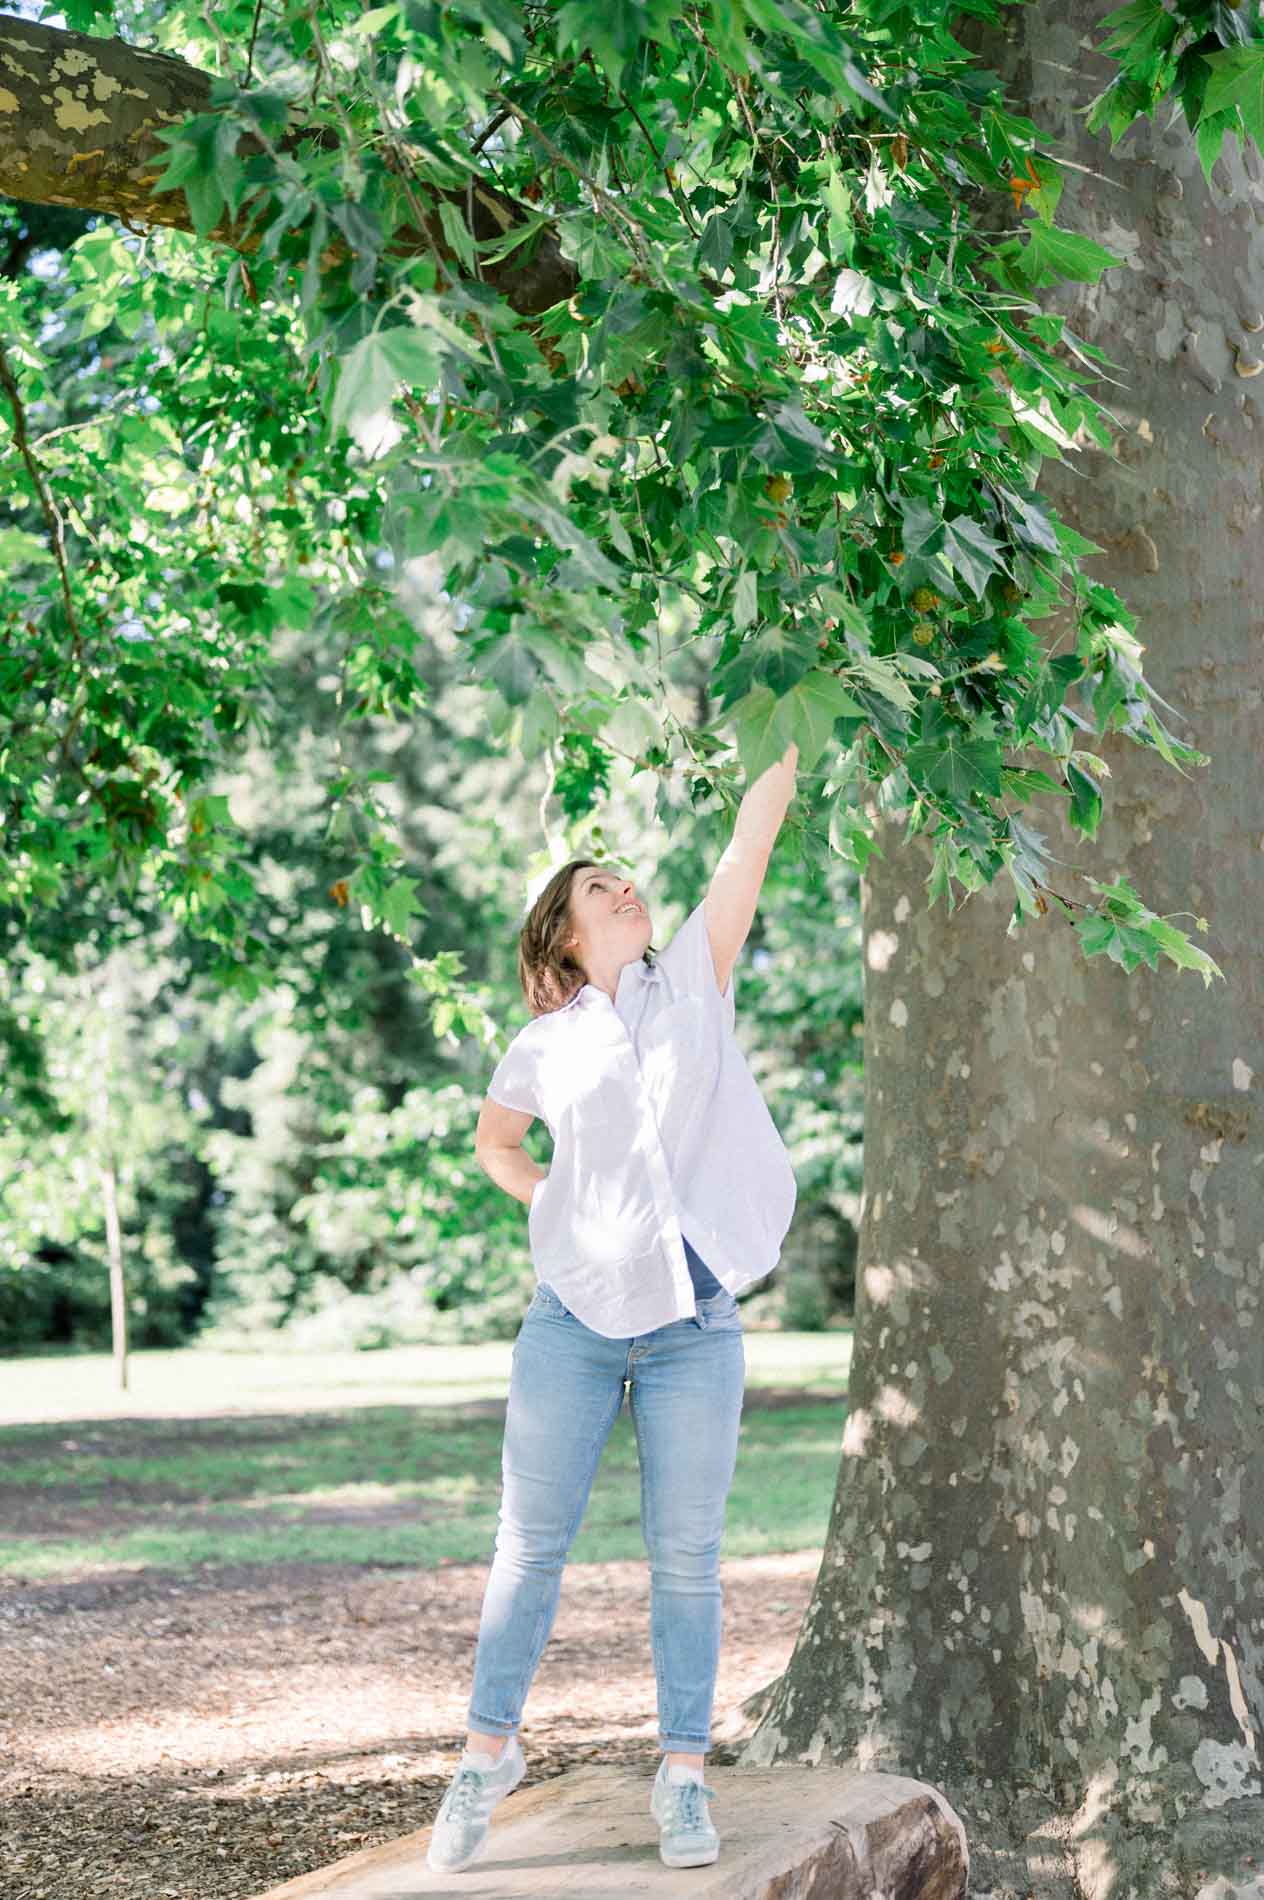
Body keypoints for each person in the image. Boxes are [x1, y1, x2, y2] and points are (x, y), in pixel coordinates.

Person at [426, 742, 800, 1876]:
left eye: (626, 876)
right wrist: (552, 1196)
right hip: (573, 1322)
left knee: (684, 1555)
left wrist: (788, 728)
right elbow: (495, 1143)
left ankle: (682, 1775)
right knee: (527, 1547)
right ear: (563, 935)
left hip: (692, 1323)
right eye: (601, 885)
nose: (625, 885)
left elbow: (748, 847)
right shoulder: (544, 1040)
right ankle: (488, 1753)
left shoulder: (692, 975)